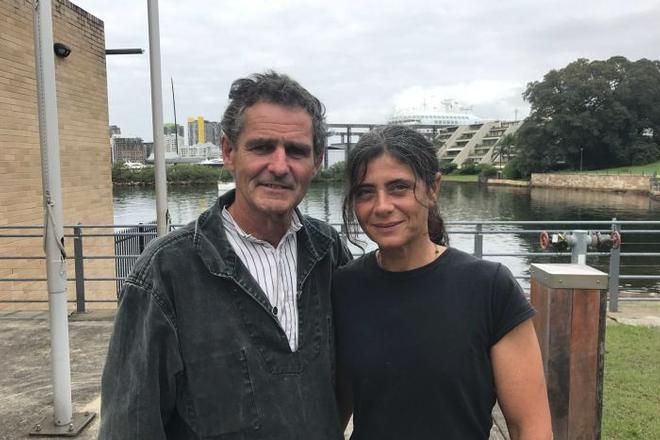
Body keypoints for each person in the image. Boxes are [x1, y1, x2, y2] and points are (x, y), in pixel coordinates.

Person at [100, 71, 351, 439]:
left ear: (317, 161)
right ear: (229, 152)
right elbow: (130, 425)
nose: (279, 166)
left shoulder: (328, 252)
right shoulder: (165, 272)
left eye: (296, 150)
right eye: (262, 147)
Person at [332, 125, 552, 439]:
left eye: (398, 187)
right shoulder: (343, 288)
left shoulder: (489, 288)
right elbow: (335, 410)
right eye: (366, 192)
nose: (381, 206)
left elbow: (529, 426)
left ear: (433, 188)